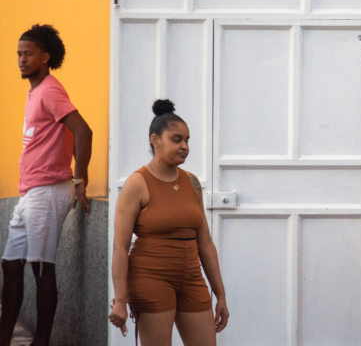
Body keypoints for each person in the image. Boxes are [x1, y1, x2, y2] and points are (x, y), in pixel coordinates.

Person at [1, 24, 92, 346]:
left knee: (42, 268)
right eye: (19, 54)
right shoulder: (35, 91)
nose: (21, 60)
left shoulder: (51, 89)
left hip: (49, 190)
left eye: (28, 54)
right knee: (11, 264)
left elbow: (83, 131)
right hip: (30, 192)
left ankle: (41, 340)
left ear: (45, 57)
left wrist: (80, 179)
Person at [109, 99, 228, 344]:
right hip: (150, 278)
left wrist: (221, 295)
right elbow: (120, 247)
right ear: (155, 140)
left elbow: (205, 244)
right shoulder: (137, 183)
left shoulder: (192, 183)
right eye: (177, 139)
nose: (185, 146)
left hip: (191, 277)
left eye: (187, 140)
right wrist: (120, 301)